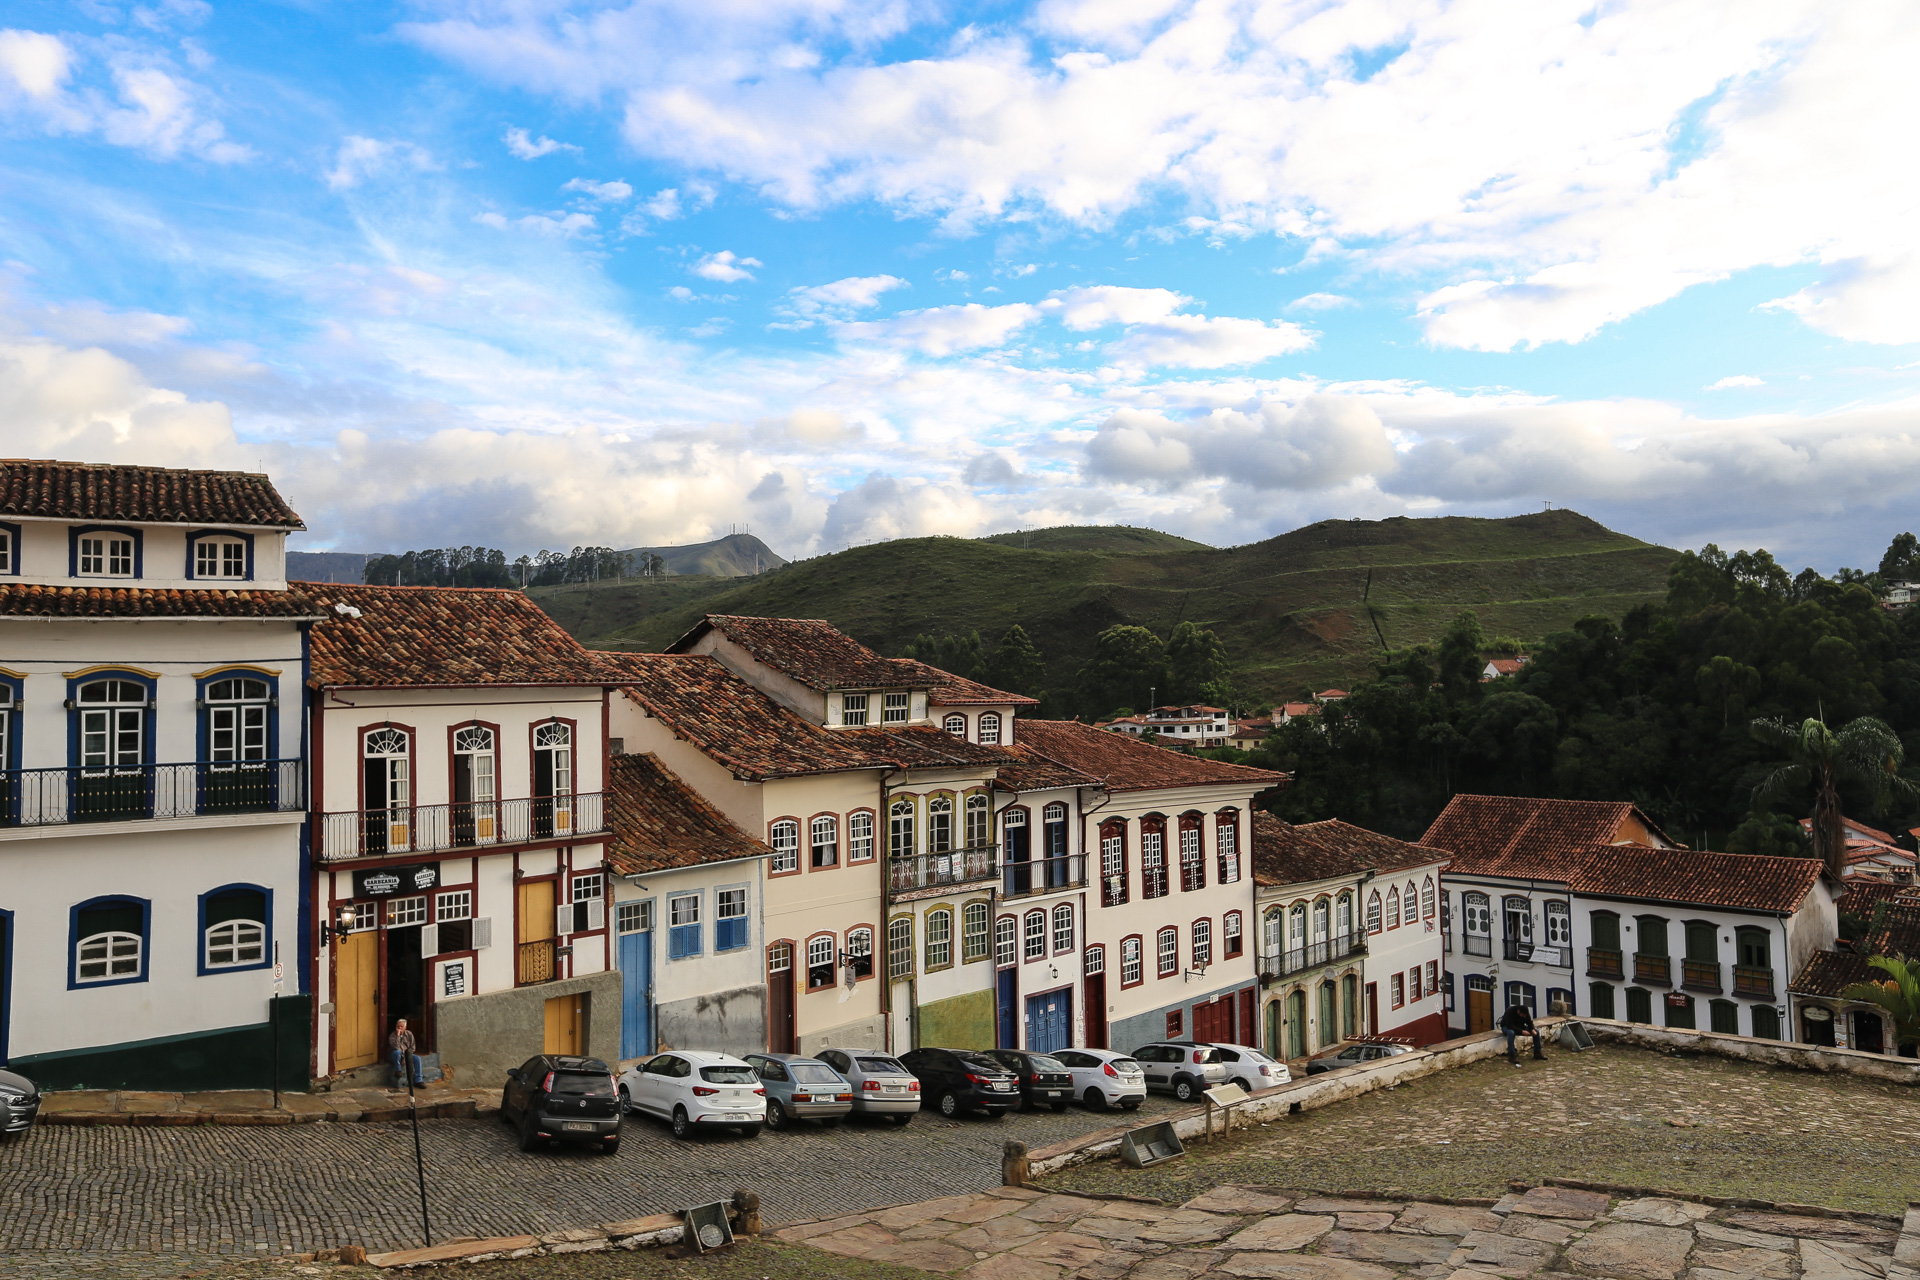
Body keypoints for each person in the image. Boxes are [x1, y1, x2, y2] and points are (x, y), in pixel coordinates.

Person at [388, 1018, 423, 1087]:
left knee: (417, 1058)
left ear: (405, 1027)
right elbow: (396, 1047)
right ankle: (398, 1070)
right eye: (398, 1026)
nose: (399, 1028)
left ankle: (418, 1080)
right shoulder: (392, 1036)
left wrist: (405, 1057)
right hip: (395, 1056)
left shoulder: (409, 1034)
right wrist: (398, 1036)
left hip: (406, 1055)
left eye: (401, 1026)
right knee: (397, 1052)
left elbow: (413, 1047)